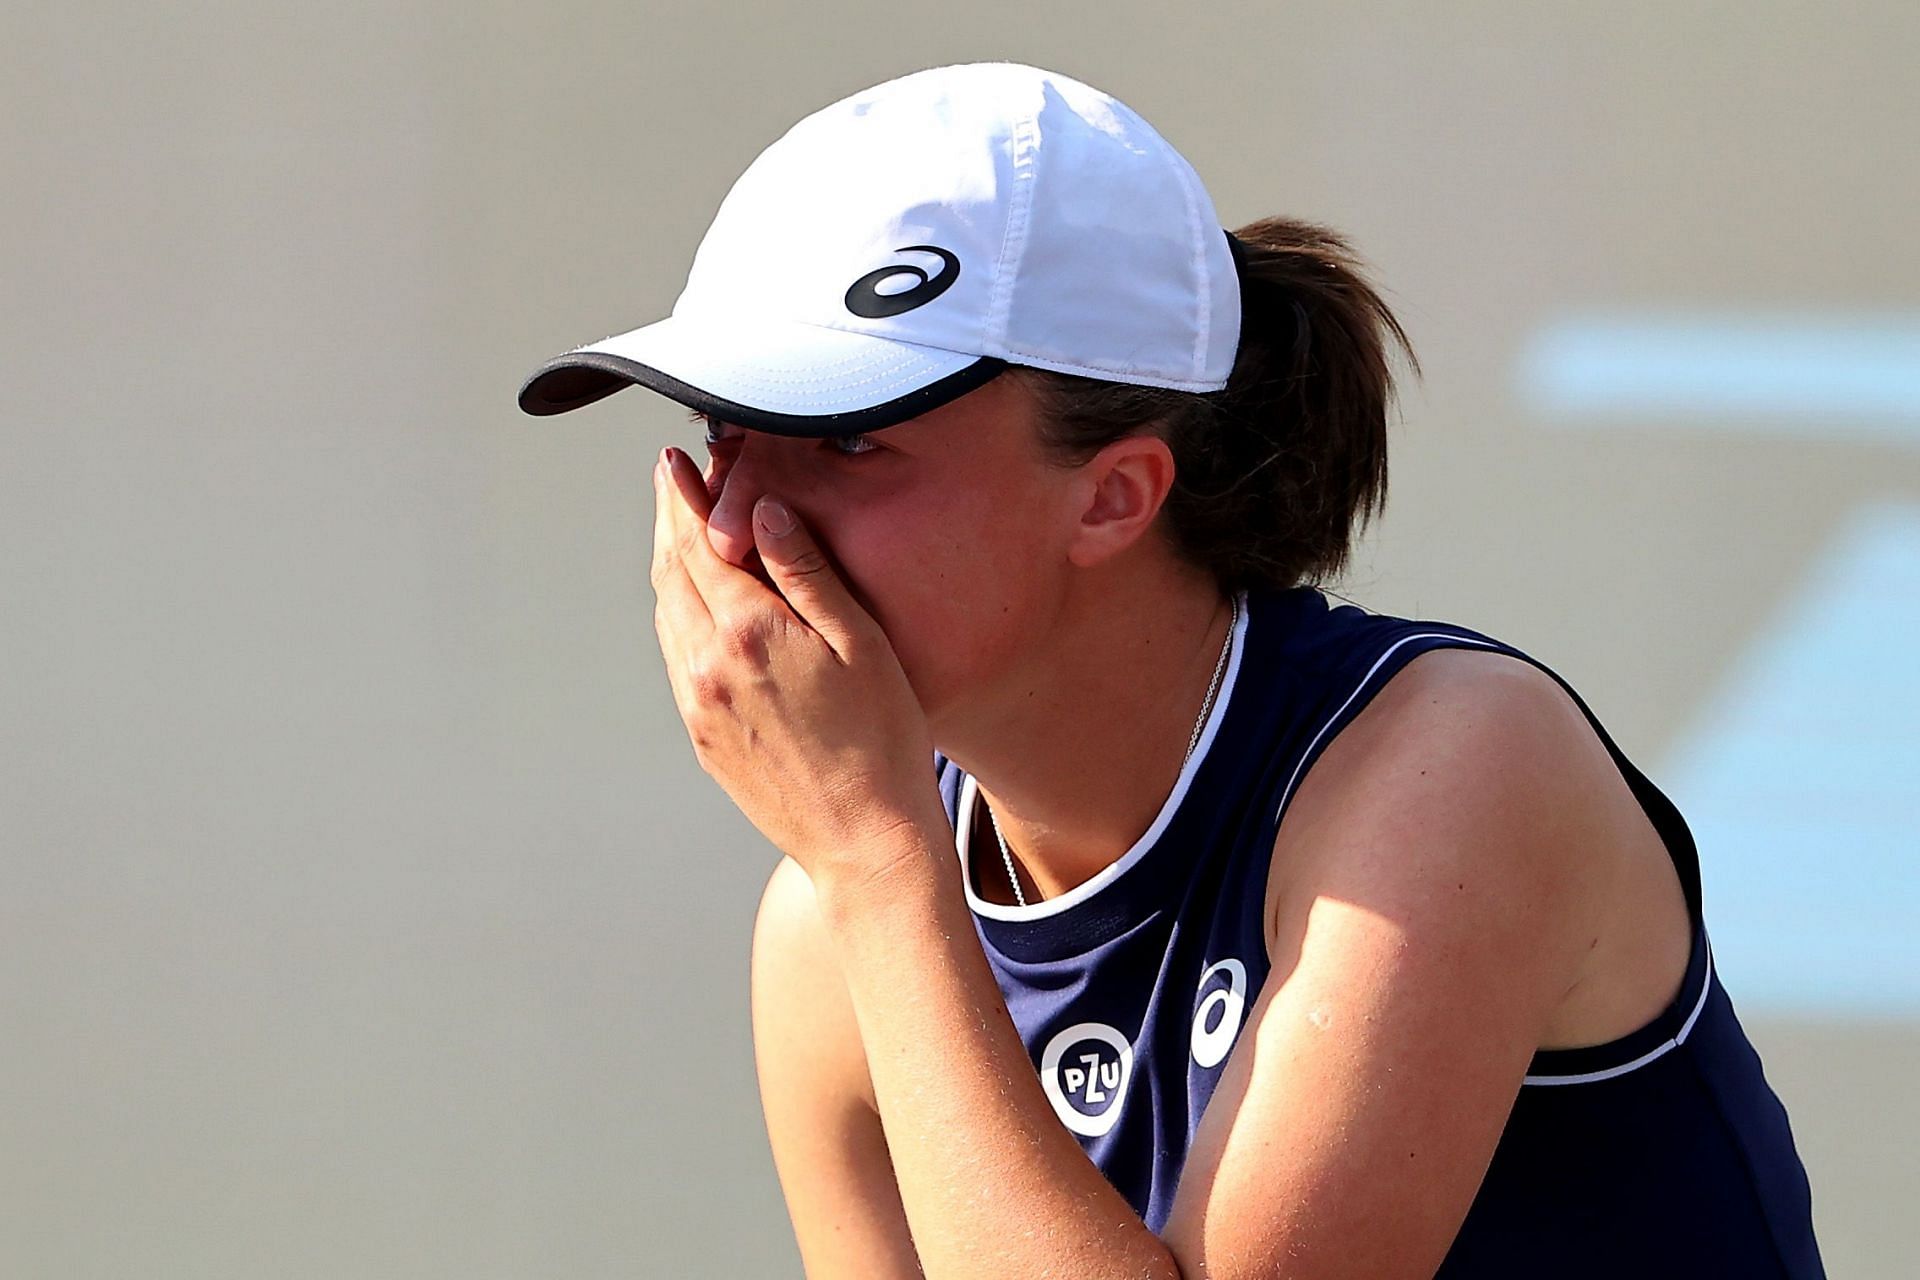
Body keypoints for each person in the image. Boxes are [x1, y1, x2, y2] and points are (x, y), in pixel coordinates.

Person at [519, 62, 1823, 1279]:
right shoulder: (832, 924)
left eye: (848, 441)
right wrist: (869, 874)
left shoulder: (1455, 766)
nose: (742, 524)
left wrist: (872, 862)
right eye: (720, 434)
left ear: (1115, 497)